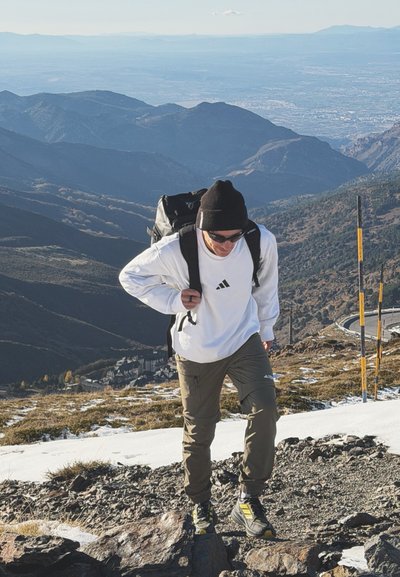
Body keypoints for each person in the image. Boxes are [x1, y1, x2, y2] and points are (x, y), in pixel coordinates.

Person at [119, 180, 280, 538]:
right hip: (196, 350)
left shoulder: (259, 240)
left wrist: (266, 330)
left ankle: (248, 499)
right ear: (203, 227)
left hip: (243, 339)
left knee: (266, 407)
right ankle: (200, 503)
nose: (226, 245)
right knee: (200, 429)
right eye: (218, 238)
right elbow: (130, 277)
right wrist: (173, 301)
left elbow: (267, 287)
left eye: (233, 237)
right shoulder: (176, 248)